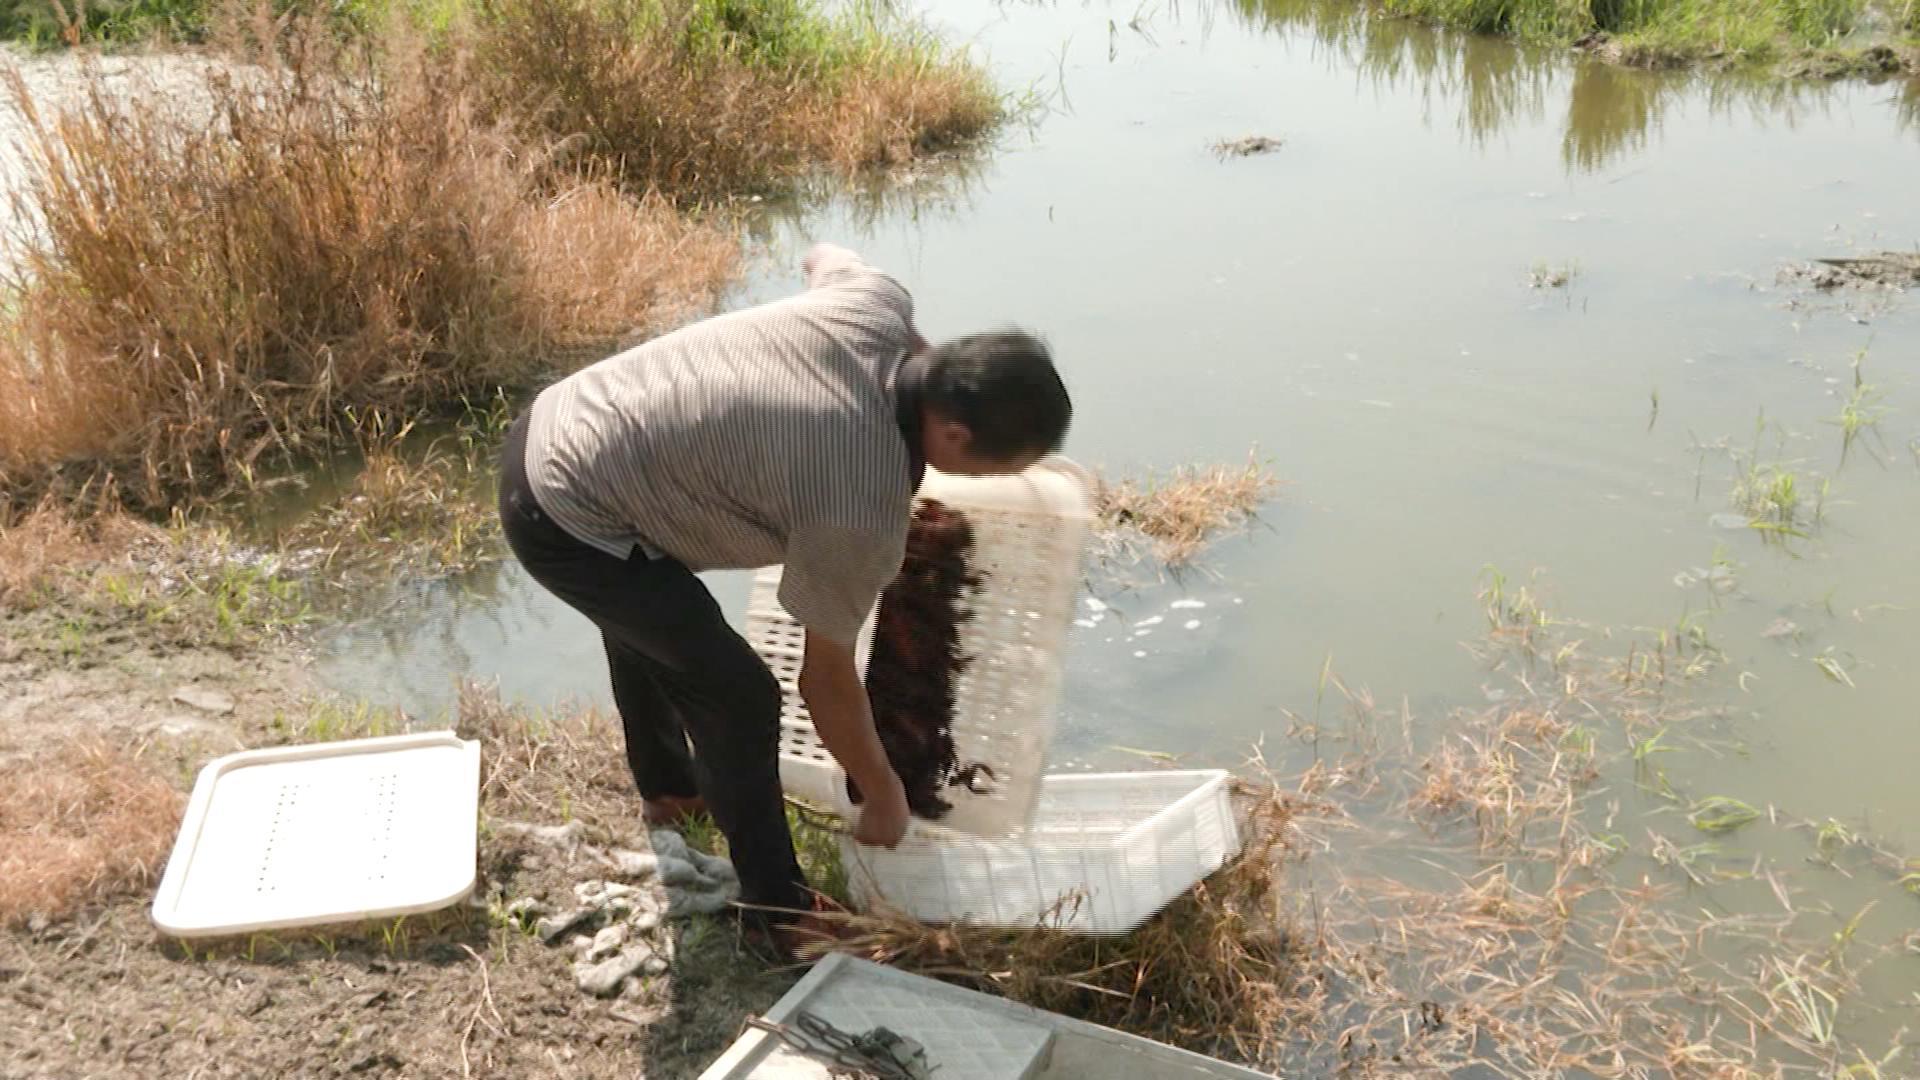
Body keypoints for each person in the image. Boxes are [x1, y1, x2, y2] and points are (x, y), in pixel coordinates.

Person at [496, 242, 1072, 953]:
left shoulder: (877, 301)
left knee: (657, 620)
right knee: (739, 695)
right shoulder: (860, 505)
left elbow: (823, 253)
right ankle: (777, 912)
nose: (992, 481)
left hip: (563, 422)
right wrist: (884, 791)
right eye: (999, 467)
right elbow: (824, 680)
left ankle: (672, 790)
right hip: (564, 513)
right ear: (954, 434)